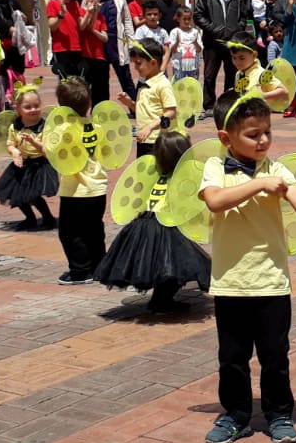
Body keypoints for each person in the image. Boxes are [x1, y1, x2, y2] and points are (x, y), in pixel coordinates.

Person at [199, 88, 296, 443]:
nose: (263, 140)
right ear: (226, 137)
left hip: (271, 283)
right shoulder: (215, 168)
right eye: (253, 135)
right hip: (230, 284)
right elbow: (216, 201)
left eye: (267, 131)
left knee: (274, 355)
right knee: (232, 358)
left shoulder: (277, 170)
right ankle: (236, 414)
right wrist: (257, 184)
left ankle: (279, 413)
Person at [94, 129, 210, 312]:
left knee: (159, 263)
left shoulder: (154, 172)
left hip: (143, 222)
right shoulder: (182, 179)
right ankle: (161, 301)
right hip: (164, 225)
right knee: (175, 265)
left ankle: (160, 299)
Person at [53, 76, 107, 285]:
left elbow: (53, 153)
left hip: (74, 191)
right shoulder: (98, 127)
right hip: (98, 189)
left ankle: (80, 270)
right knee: (94, 229)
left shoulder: (62, 130)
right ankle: (99, 266)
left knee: (70, 232)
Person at [0, 82, 58, 231]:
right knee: (17, 195)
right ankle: (30, 218)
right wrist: (14, 152)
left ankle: (48, 217)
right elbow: (10, 144)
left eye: (36, 106)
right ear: (18, 109)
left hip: (40, 165)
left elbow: (46, 150)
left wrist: (34, 142)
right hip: (21, 164)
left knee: (33, 195)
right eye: (28, 107)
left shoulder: (44, 126)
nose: (33, 110)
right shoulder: (15, 126)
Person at [195, 0, 246, 108]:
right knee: (210, 76)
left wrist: (237, 29)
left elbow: (243, 16)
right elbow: (198, 15)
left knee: (231, 74)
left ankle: (227, 103)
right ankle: (209, 105)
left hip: (231, 43)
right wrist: (212, 28)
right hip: (212, 42)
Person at [118, 37, 175, 157]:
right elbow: (144, 110)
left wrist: (150, 127)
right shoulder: (144, 84)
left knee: (157, 173)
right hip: (144, 138)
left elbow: (171, 112)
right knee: (143, 173)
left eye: (139, 63)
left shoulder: (163, 85)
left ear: (153, 62)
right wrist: (130, 104)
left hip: (157, 140)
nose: (135, 67)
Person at [227, 38, 289, 108]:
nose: (237, 62)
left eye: (241, 58)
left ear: (254, 55)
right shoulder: (238, 74)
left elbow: (284, 91)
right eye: (234, 57)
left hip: (259, 115)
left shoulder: (262, 73)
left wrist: (261, 95)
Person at [47, 0, 86, 83]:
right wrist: (61, 16)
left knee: (78, 80)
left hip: (77, 48)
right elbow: (52, 26)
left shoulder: (75, 4)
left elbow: (81, 26)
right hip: (61, 48)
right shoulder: (53, 4)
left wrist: (91, 13)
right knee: (65, 81)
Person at [166, 6, 202, 84]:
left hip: (193, 67)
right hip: (179, 67)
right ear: (178, 19)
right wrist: (177, 42)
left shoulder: (195, 32)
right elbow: (172, 50)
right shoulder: (174, 32)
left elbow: (199, 50)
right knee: (179, 87)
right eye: (184, 19)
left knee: (192, 87)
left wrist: (195, 43)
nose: (187, 21)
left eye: (189, 19)